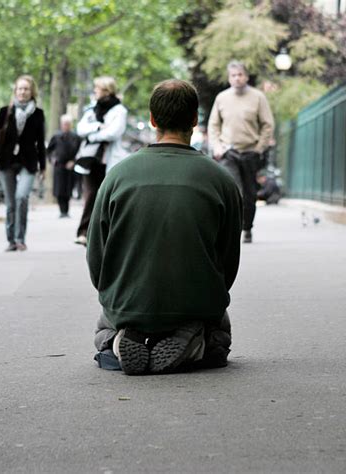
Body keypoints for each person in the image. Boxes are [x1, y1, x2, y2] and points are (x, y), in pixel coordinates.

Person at [88, 79, 242, 375]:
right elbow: (228, 262)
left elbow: (97, 258)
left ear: (152, 119)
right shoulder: (221, 180)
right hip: (197, 303)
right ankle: (195, 339)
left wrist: (117, 294)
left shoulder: (117, 177)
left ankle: (116, 338)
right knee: (219, 330)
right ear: (195, 120)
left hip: (128, 304)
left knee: (105, 321)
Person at [208, 60, 275, 243]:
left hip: (250, 152)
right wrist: (217, 146)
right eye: (233, 75)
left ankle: (247, 228)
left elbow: (267, 125)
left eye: (240, 75)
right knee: (233, 191)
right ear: (229, 78)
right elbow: (213, 125)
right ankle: (231, 230)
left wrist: (259, 148)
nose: (237, 79)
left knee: (249, 194)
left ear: (246, 76)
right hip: (229, 152)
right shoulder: (221, 98)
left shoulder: (258, 97)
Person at [0, 74, 46, 252]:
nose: (22, 92)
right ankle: (11, 240)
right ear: (15, 91)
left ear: (31, 91)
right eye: (19, 88)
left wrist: (43, 166)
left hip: (28, 161)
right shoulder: (6, 111)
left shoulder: (38, 113)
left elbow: (41, 142)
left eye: (26, 89)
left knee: (22, 197)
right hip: (7, 160)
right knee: (11, 203)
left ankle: (21, 239)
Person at [74, 76, 128, 246]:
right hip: (90, 160)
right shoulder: (91, 110)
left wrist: (93, 135)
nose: (94, 91)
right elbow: (80, 129)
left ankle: (107, 233)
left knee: (108, 196)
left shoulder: (120, 111)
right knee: (90, 195)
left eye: (97, 88)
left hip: (109, 161)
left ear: (106, 90)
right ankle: (84, 232)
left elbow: (113, 133)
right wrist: (97, 127)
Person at [47, 114, 81, 217]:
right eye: (64, 124)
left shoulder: (76, 137)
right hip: (59, 166)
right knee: (59, 189)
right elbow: (49, 150)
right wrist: (52, 160)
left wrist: (74, 161)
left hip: (70, 167)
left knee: (68, 189)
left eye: (68, 124)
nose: (66, 126)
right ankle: (62, 211)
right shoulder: (56, 136)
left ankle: (66, 211)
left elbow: (80, 151)